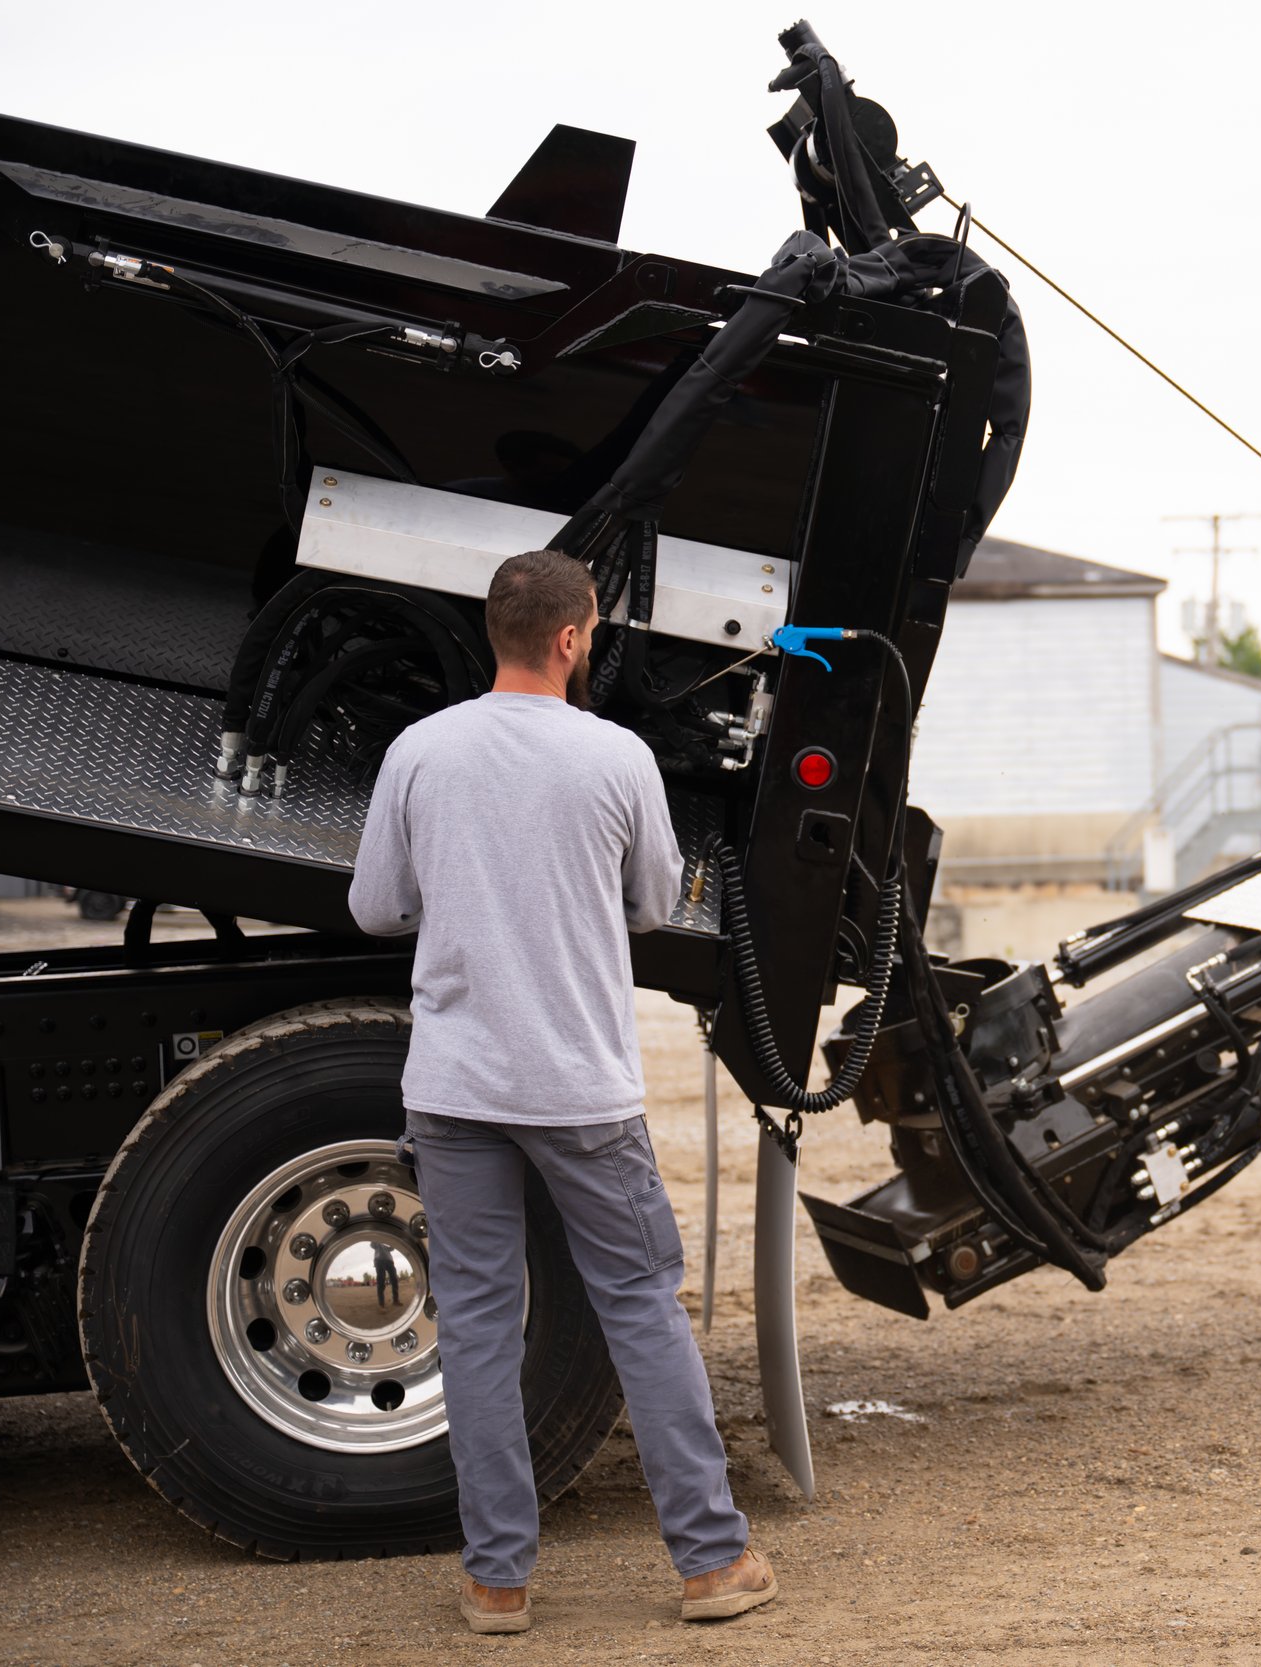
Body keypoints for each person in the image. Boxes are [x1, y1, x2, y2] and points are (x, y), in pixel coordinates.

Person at [348, 548, 775, 1634]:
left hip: (452, 1084)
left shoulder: (420, 751)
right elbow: (648, 907)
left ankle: (497, 1582)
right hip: (580, 1088)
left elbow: (374, 906)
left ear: (498, 631)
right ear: (575, 636)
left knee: (481, 1323)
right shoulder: (617, 757)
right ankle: (710, 1562)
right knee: (639, 1304)